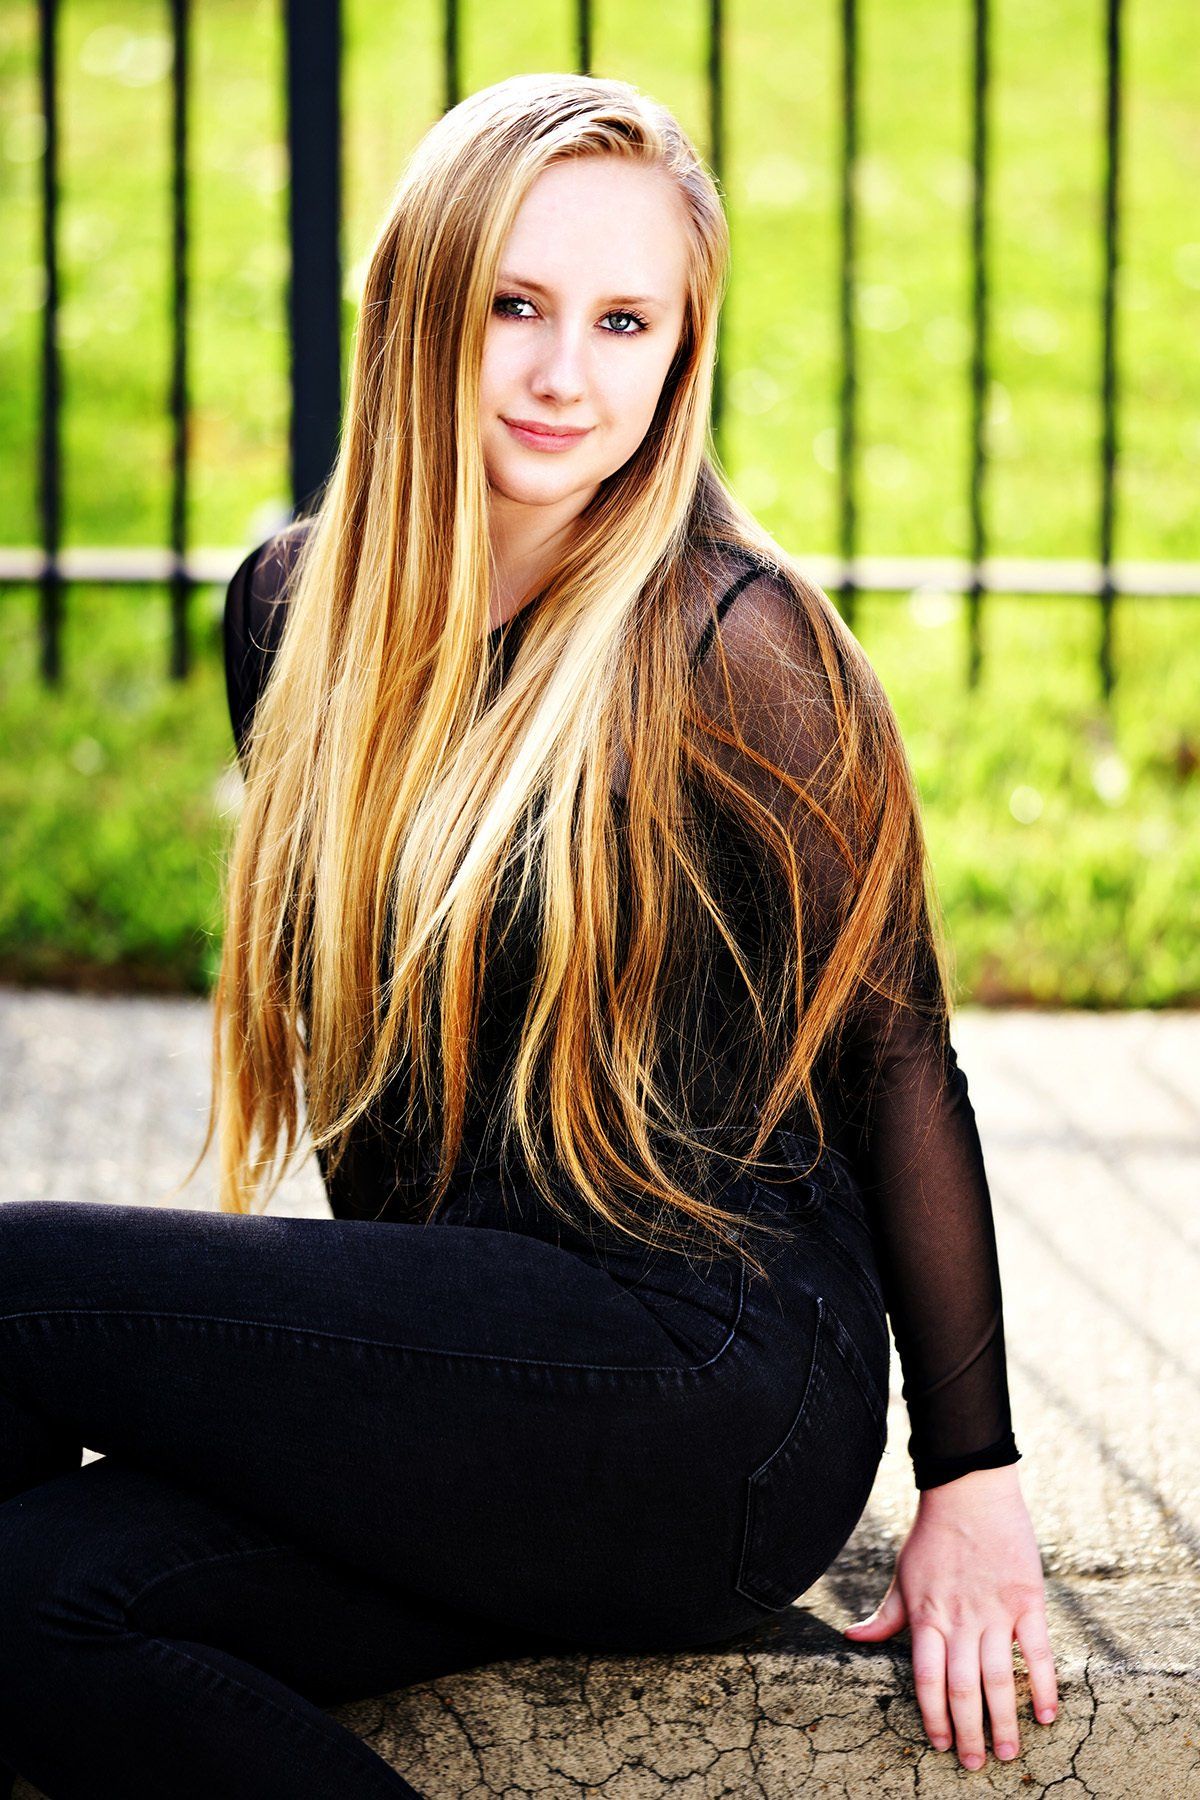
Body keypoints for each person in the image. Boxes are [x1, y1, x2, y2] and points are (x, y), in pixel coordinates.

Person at [0, 71, 1059, 1799]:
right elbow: (382, 1090)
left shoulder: (734, 644)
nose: (567, 372)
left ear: (681, 350)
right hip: (485, 1381)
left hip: (710, 1391)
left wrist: (976, 1479)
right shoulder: (295, 615)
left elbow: (899, 1057)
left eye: (625, 321)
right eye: (516, 304)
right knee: (35, 1595)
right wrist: (347, 1404)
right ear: (424, 304)